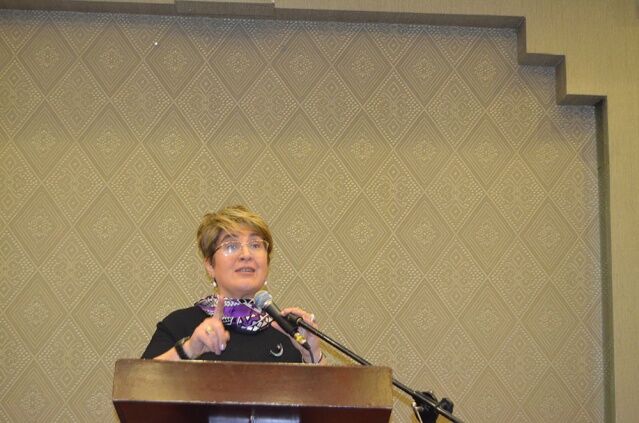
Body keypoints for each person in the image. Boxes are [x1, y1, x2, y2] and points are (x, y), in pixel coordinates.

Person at [142, 205, 324, 364]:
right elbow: (140, 384)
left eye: (255, 245)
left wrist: (312, 353)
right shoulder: (180, 325)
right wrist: (189, 350)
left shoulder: (289, 332)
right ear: (210, 265)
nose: (246, 254)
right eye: (231, 245)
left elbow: (324, 392)